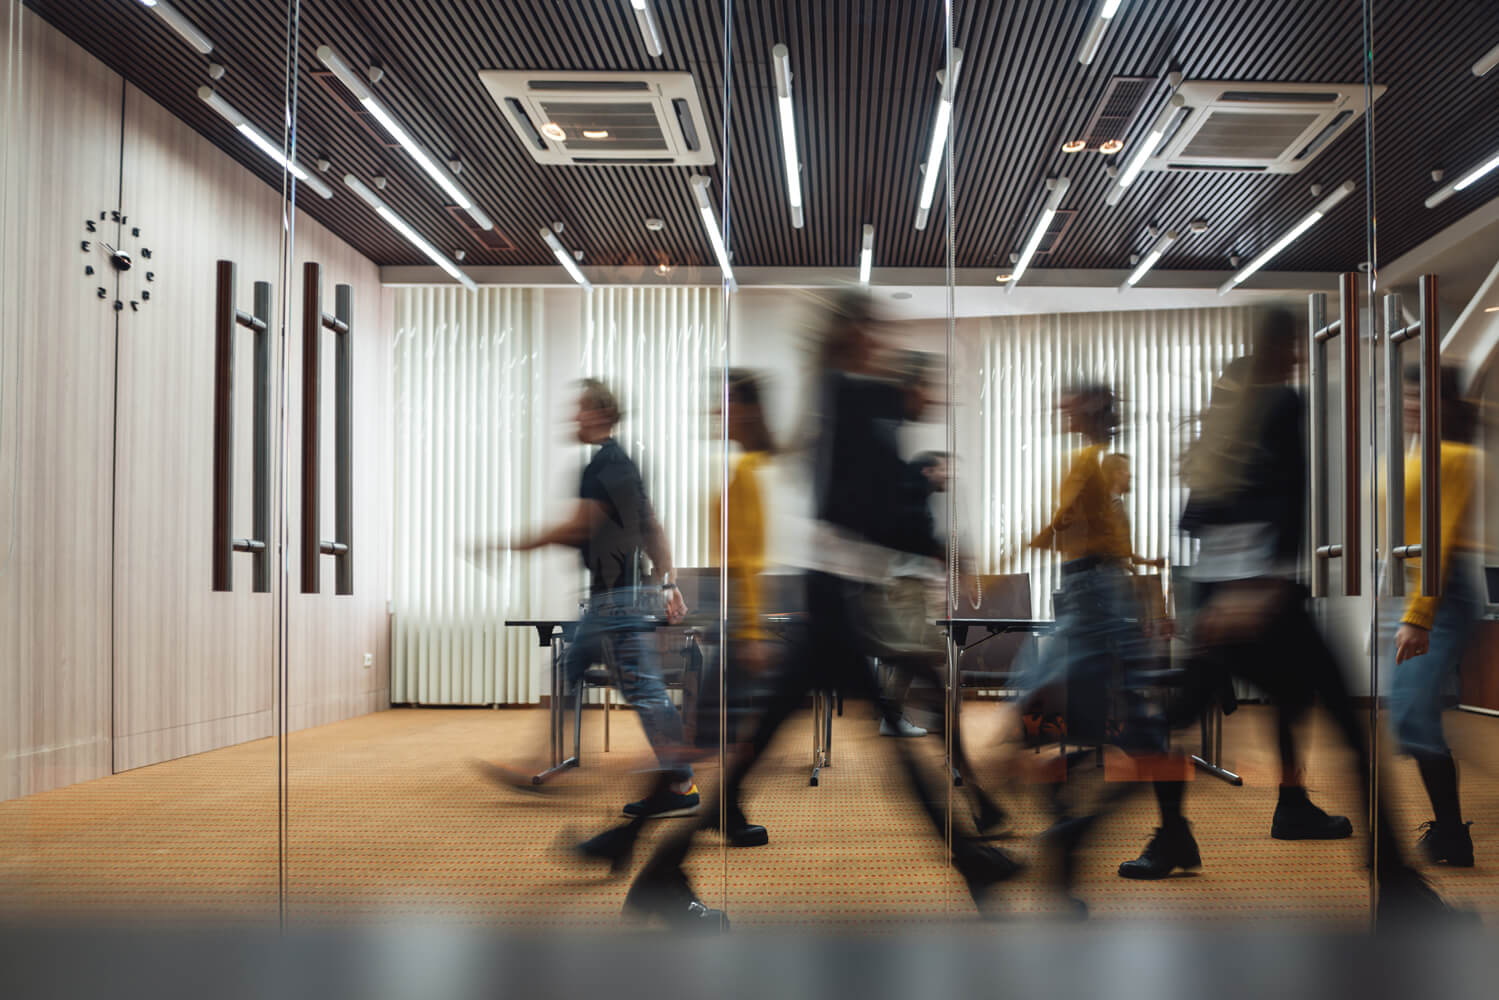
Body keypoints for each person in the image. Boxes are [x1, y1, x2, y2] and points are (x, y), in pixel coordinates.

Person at [616, 291, 1022, 927]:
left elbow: (869, 498)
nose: (880, 341)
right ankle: (970, 861)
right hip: (830, 601)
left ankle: (658, 869)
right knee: (868, 744)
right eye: (872, 329)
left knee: (787, 744)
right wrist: (938, 545)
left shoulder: (841, 396)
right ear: (851, 333)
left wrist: (925, 535)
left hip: (835, 599)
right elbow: (861, 505)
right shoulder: (845, 395)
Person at [472, 378, 698, 819]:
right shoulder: (623, 464)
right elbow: (653, 526)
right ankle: (545, 762)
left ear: (598, 413)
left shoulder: (602, 466)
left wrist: (508, 546)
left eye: (578, 409)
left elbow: (578, 527)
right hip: (616, 597)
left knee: (644, 690)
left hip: (616, 599)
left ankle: (681, 783)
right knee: (570, 668)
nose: (572, 417)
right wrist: (668, 584)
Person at [1382, 365, 1482, 867]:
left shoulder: (1455, 457)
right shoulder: (1419, 454)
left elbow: (1437, 539)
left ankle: (1451, 835)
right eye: (1406, 395)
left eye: (1421, 396)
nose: (1411, 404)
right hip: (1417, 590)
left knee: (1413, 714)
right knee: (1409, 714)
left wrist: (1420, 615)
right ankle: (1448, 833)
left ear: (1444, 403)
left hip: (1442, 592)